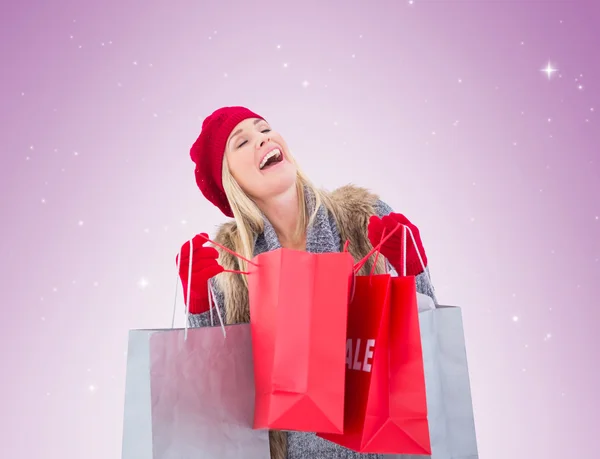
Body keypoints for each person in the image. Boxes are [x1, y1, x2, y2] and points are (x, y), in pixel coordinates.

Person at [176, 106, 436, 459]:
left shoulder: (365, 218)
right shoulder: (229, 264)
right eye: (242, 142)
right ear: (230, 181)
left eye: (264, 128)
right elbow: (218, 394)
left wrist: (413, 269)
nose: (262, 138)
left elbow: (426, 347)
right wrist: (199, 304)